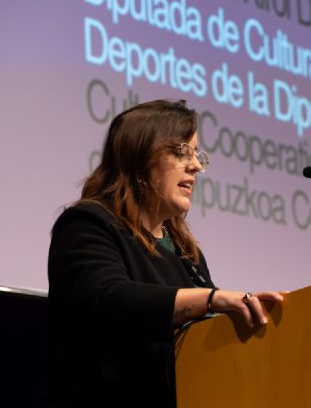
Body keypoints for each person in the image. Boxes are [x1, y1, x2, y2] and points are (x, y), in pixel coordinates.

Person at [42, 99, 284, 407]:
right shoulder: (88, 224)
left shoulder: (185, 251)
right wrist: (210, 299)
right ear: (140, 158)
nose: (196, 165)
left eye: (196, 154)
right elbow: (107, 298)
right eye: (181, 151)